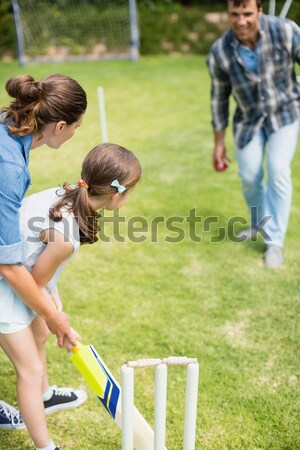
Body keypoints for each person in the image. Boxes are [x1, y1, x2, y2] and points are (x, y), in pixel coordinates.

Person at [0, 143, 142, 450]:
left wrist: (54, 303)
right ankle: (45, 446)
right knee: (29, 369)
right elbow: (34, 282)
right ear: (117, 194)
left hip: (17, 276)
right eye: (130, 191)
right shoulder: (67, 236)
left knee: (39, 333)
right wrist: (58, 319)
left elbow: (39, 267)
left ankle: (44, 395)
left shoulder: (64, 194)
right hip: (6, 286)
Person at [0, 74, 87, 433]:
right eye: (76, 127)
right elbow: (8, 266)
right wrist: (55, 316)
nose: (75, 135)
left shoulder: (8, 129)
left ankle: (44, 393)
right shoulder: (10, 167)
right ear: (60, 126)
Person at [207, 0, 300, 268]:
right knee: (249, 176)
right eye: (234, 14)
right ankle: (260, 223)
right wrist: (219, 144)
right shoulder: (220, 51)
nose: (241, 21)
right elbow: (219, 100)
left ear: (259, 11)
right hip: (248, 121)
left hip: (285, 114)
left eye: (247, 13)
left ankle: (275, 244)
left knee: (278, 169)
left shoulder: (285, 31)